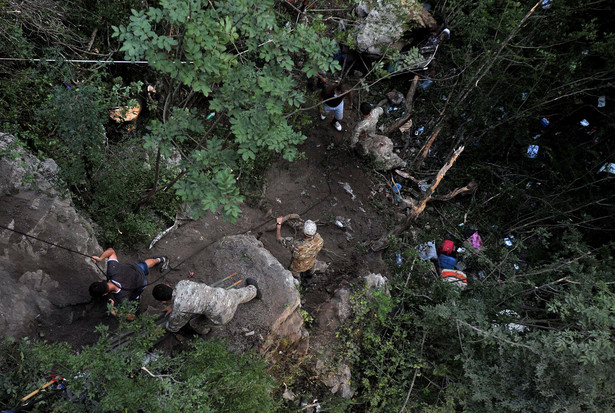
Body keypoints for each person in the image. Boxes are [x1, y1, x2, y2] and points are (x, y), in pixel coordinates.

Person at [152, 279, 261, 335]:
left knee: (195, 323)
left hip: (223, 315)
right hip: (224, 295)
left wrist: (161, 328)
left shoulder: (180, 309)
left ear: (163, 301)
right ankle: (254, 290)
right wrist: (173, 306)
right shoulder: (182, 283)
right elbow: (184, 296)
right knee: (238, 295)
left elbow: (174, 327)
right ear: (168, 285)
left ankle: (205, 332)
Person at [89, 247, 168, 319]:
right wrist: (100, 258)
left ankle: (136, 299)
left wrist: (114, 312)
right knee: (146, 264)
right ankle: (161, 259)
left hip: (140, 282)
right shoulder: (112, 270)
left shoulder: (121, 297)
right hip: (134, 268)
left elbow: (131, 317)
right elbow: (111, 251)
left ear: (105, 294)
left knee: (134, 296)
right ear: (100, 281)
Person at [350, 102, 406, 170]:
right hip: (373, 135)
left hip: (365, 140)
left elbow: (354, 139)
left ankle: (364, 157)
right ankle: (398, 161)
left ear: (361, 112)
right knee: (383, 148)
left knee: (365, 153)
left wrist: (353, 145)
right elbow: (381, 109)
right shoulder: (374, 113)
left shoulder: (361, 125)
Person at [276, 217, 324, 284]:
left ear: (302, 231)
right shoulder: (319, 240)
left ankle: (296, 282)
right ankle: (309, 279)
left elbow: (279, 239)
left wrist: (278, 225)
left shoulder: (297, 245)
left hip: (297, 267)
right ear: (315, 232)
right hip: (310, 263)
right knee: (310, 272)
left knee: (293, 276)